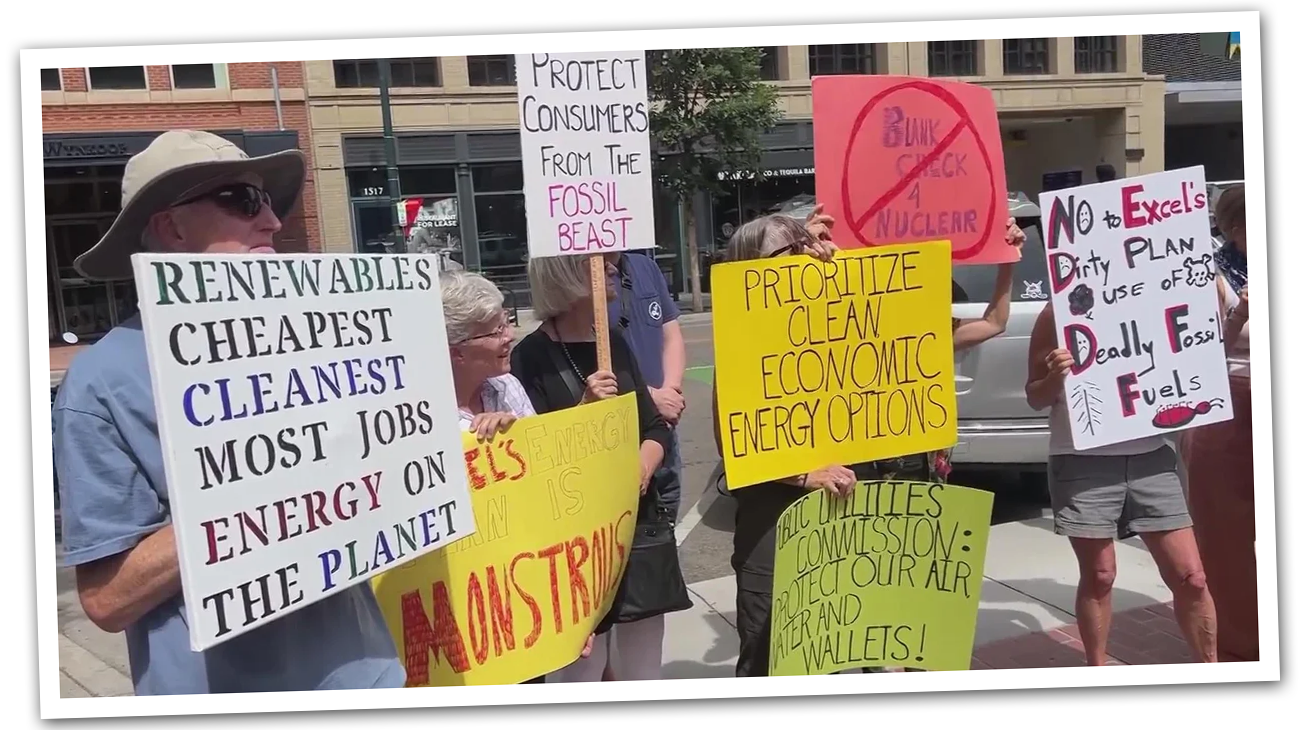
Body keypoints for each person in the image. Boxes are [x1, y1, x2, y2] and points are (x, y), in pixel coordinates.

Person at [52, 129, 405, 694]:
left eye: (267, 202)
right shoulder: (103, 382)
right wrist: (254, 489)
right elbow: (106, 600)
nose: (271, 222)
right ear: (171, 228)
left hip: (366, 677)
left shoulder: (323, 337)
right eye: (242, 201)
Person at [715, 210, 1024, 677]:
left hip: (846, 527)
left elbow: (991, 324)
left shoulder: (855, 318)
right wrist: (802, 475)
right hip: (774, 531)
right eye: (786, 253)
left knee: (856, 655)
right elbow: (731, 437)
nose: (803, 257)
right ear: (749, 270)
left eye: (804, 248)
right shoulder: (743, 334)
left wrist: (1006, 259)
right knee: (771, 662)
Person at [510, 253, 681, 682]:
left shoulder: (614, 342)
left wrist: (644, 465)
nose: (610, 268)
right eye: (596, 262)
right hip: (575, 547)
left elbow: (655, 426)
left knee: (644, 675)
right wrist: (585, 407)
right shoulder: (530, 357)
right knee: (581, 678)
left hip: (634, 532)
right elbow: (535, 458)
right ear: (566, 275)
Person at [1025, 304, 1217, 665]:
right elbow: (1035, 396)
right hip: (1082, 459)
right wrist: (1056, 377)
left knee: (1192, 577)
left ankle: (1213, 672)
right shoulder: (1058, 311)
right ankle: (1098, 671)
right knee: (1100, 576)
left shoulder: (1158, 289)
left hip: (1151, 456)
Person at [438, 269, 592, 682]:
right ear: (457, 351)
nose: (510, 335)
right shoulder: (423, 416)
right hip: (466, 607)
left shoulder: (508, 387)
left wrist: (568, 613)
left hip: (523, 592)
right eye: (494, 330)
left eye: (506, 321)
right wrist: (476, 443)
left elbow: (542, 492)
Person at [1179, 184, 1255, 662]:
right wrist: (1238, 317)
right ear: (1232, 228)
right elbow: (1195, 357)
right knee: (1226, 538)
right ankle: (1243, 649)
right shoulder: (1209, 275)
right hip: (1227, 406)